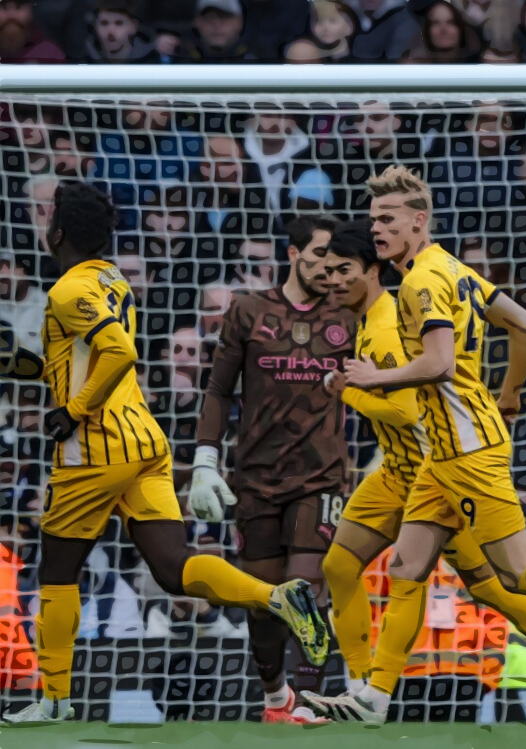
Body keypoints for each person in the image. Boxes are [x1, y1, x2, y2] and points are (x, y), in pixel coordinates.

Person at [296, 165, 526, 724]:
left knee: (520, 574)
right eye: (374, 217)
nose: (377, 227)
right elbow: (523, 324)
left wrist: (367, 381)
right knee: (406, 567)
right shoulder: (452, 267)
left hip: (467, 450)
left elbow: (440, 363)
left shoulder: (421, 282)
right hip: (444, 456)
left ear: (417, 220)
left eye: (388, 218)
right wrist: (511, 395)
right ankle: (373, 698)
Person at [0, 181, 328, 725]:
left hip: (96, 447)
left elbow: (119, 351)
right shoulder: (110, 278)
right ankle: (277, 598)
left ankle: (54, 698)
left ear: (57, 232)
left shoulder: (64, 291)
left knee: (56, 570)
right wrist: (27, 368)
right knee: (173, 568)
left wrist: (73, 411)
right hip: (145, 441)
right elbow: (85, 355)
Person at [189, 215, 358, 725]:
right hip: (256, 476)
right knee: (264, 602)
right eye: (319, 254)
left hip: (321, 475)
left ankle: (309, 703)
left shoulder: (350, 315)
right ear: (292, 254)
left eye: (334, 256)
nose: (328, 265)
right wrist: (204, 460)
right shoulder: (248, 309)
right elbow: (219, 391)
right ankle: (276, 699)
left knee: (306, 590)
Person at [402, 0, 485, 63]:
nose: (443, 29)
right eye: (435, 23)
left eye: (450, 22)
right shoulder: (413, 70)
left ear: (460, 29)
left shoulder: (480, 68)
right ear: (426, 31)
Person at [176, 0, 254, 63]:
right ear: (197, 21)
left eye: (224, 16)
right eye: (209, 17)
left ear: (240, 21)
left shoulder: (261, 60)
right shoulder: (176, 59)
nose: (216, 24)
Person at [83, 0, 160, 63]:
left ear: (133, 26)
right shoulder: (82, 60)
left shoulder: (155, 61)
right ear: (95, 26)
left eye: (119, 23)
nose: (111, 30)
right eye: (104, 23)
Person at [0, 0, 65, 63]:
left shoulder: (50, 52)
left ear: (30, 10)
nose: (12, 15)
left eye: (19, 6)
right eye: (4, 6)